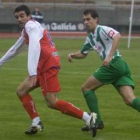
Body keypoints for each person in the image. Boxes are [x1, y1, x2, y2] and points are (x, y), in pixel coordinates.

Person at [0, 5, 97, 136]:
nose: (19, 19)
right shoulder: (27, 29)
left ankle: (88, 118)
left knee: (52, 102)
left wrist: (32, 71)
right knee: (21, 91)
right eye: (17, 17)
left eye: (22, 16)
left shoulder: (31, 26)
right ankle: (36, 122)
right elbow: (15, 49)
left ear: (29, 16)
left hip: (47, 66)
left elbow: (34, 45)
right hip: (42, 66)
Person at [68, 9, 140, 137]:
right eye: (84, 20)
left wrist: (109, 56)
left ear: (96, 19)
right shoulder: (90, 37)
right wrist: (73, 55)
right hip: (120, 66)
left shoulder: (102, 29)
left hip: (114, 64)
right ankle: (97, 121)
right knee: (130, 100)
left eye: (88, 19)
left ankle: (98, 121)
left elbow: (117, 36)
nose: (86, 22)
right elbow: (83, 54)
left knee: (86, 88)